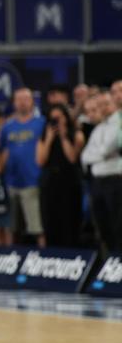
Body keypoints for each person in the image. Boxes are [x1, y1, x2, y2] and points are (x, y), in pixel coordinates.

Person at [1, 88, 46, 246]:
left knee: (37, 226)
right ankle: (10, 259)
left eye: (25, 99)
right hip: (11, 181)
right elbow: (2, 151)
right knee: (11, 227)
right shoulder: (7, 126)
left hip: (32, 180)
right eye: (18, 99)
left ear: (32, 102)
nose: (22, 102)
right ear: (14, 102)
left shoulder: (41, 123)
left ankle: (44, 257)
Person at [36, 103, 85, 248]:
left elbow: (72, 158)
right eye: (54, 119)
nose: (57, 122)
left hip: (69, 182)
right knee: (50, 221)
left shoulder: (76, 134)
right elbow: (40, 160)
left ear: (66, 118)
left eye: (60, 118)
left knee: (69, 222)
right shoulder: (43, 137)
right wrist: (50, 139)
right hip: (49, 182)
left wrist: (64, 137)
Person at [83, 84, 122, 253]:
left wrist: (99, 154)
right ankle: (110, 261)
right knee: (102, 225)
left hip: (114, 180)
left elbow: (107, 148)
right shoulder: (99, 128)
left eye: (106, 104)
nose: (102, 108)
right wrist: (101, 155)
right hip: (97, 182)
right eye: (100, 105)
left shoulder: (118, 124)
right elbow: (85, 157)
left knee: (117, 224)